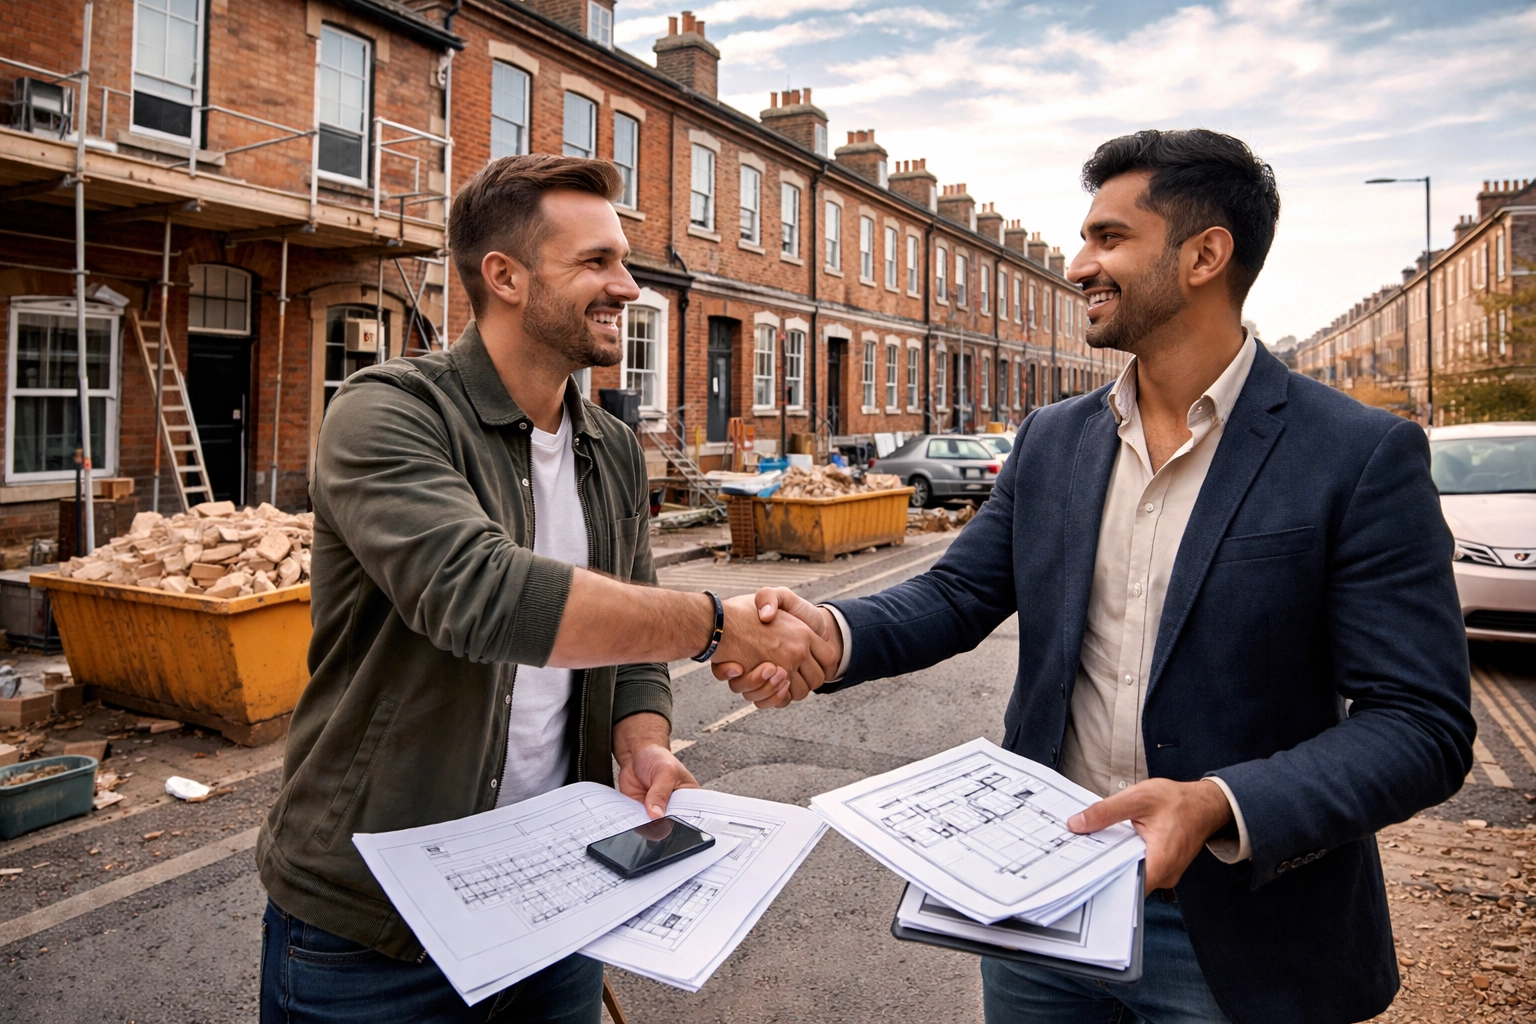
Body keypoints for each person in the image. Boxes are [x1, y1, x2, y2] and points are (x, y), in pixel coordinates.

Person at [731, 130, 1474, 1024]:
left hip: (1239, 927)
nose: (1081, 265)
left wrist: (1217, 804)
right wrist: (831, 633)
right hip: (1043, 901)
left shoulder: (1357, 455)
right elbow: (958, 594)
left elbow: (1421, 723)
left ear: (1205, 254)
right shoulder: (1055, 438)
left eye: (1111, 239)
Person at [257, 154, 835, 1024]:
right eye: (597, 262)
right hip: (376, 922)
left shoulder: (607, 445)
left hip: (559, 886)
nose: (628, 287)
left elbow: (635, 636)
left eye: (624, 262)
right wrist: (721, 626)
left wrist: (641, 741)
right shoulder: (387, 412)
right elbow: (479, 596)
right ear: (506, 276)